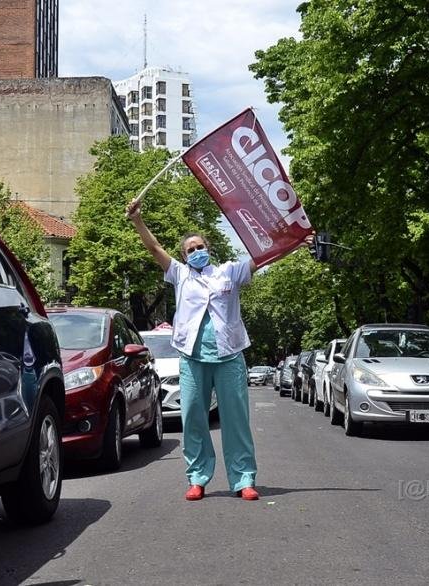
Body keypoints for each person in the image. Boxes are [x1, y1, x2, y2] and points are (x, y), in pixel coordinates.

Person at [126, 198, 311, 501]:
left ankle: (244, 480)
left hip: (229, 357)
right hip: (191, 358)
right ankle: (197, 478)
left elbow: (263, 258)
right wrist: (137, 220)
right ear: (184, 257)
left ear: (208, 249)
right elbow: (154, 249)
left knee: (236, 420)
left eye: (200, 247)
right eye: (190, 250)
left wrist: (294, 240)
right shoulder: (179, 275)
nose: (197, 252)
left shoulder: (229, 272)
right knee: (194, 419)